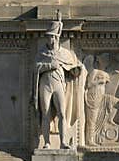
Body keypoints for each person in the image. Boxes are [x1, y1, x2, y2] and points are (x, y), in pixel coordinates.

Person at [34, 14, 84, 149]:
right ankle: (47, 143)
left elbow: (73, 68)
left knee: (62, 113)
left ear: (56, 38)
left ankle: (63, 142)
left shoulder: (65, 53)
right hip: (45, 83)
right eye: (48, 36)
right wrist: (50, 65)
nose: (49, 38)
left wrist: (76, 69)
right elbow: (36, 67)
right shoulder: (42, 52)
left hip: (59, 84)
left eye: (51, 36)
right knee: (45, 113)